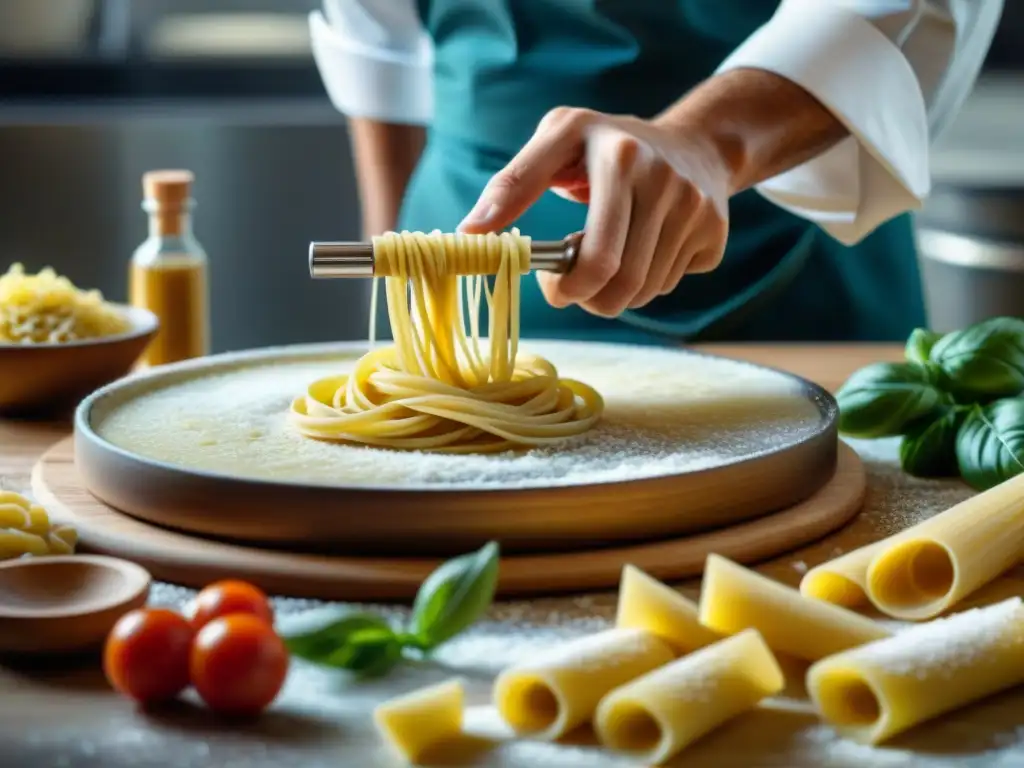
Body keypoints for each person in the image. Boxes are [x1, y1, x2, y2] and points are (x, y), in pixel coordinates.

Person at [309, 0, 1003, 344]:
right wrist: (388, 302)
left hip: (788, 242)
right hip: (459, 250)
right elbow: (379, 43)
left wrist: (706, 144)